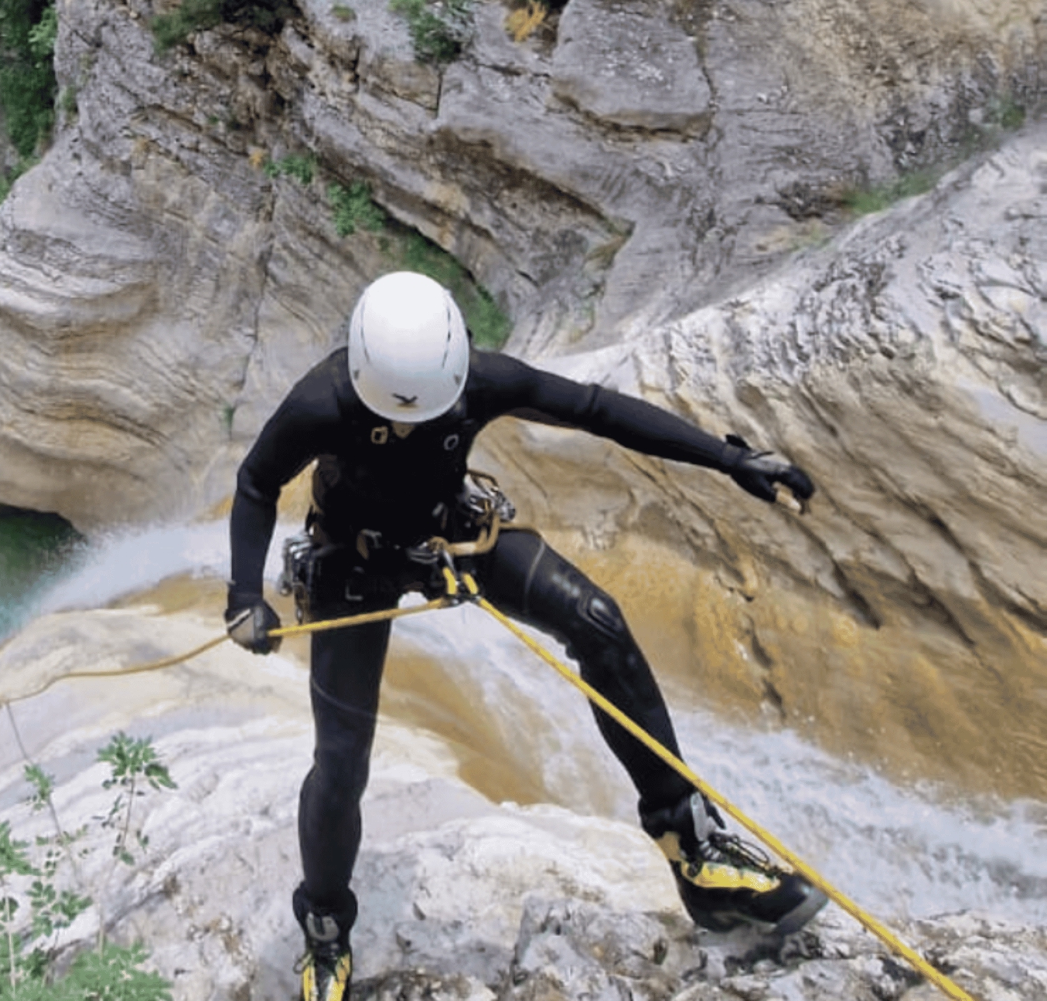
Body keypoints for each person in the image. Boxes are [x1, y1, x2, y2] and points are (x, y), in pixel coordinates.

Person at [225, 271, 828, 1001]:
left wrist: (730, 459)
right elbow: (257, 482)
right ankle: (324, 926)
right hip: (355, 564)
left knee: (598, 623)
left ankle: (695, 849)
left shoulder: (479, 381)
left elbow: (596, 409)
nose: (412, 427)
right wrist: (242, 595)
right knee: (342, 760)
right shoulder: (324, 400)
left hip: (453, 535)